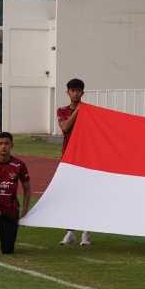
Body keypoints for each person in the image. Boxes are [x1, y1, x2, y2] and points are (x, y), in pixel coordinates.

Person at [57, 78, 92, 246]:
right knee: (68, 195)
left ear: (83, 92)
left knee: (86, 195)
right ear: (68, 92)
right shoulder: (62, 110)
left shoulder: (90, 112)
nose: (76, 93)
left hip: (85, 159)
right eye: (73, 90)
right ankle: (70, 232)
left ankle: (86, 233)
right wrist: (78, 111)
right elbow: (64, 128)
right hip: (68, 159)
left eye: (79, 91)